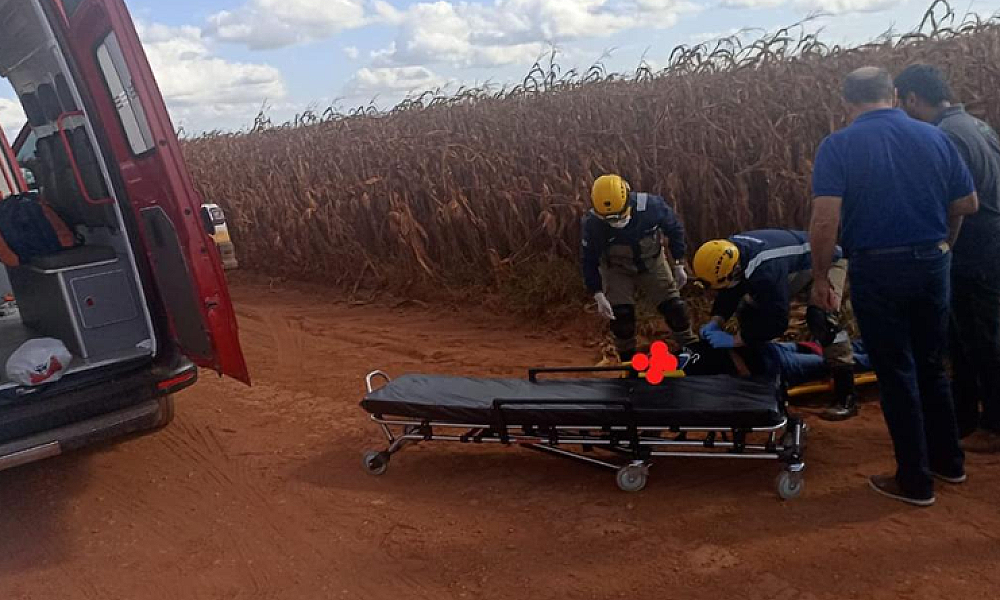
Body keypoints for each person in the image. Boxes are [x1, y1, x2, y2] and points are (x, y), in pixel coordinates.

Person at [809, 66, 979, 506]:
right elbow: (967, 202)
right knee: (930, 365)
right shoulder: (934, 135)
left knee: (896, 373)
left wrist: (821, 277)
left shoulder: (838, 146)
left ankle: (915, 481)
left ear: (847, 102)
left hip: (878, 269)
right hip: (932, 263)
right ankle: (950, 464)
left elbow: (826, 220)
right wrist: (945, 242)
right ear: (896, 95)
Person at [894, 64, 1000, 453]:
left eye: (901, 101)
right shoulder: (976, 125)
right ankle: (965, 416)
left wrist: (943, 248)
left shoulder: (944, 136)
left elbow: (954, 204)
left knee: (980, 339)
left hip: (973, 251)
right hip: (989, 243)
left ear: (912, 98)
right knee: (966, 336)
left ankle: (993, 425)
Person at [691, 229, 856, 421]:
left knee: (821, 318)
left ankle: (846, 394)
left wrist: (737, 339)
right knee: (750, 309)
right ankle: (759, 366)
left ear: (735, 270)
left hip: (826, 260)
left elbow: (778, 322)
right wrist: (716, 321)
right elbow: (730, 290)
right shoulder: (728, 254)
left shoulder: (764, 271)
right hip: (792, 266)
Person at [581, 174, 697, 359]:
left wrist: (678, 263)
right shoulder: (592, 223)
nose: (616, 223)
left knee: (675, 309)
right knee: (622, 319)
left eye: (619, 217)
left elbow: (674, 229)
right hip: (616, 268)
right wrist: (597, 293)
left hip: (652, 262)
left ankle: (693, 350)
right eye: (609, 220)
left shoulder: (651, 207)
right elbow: (589, 259)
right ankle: (628, 361)